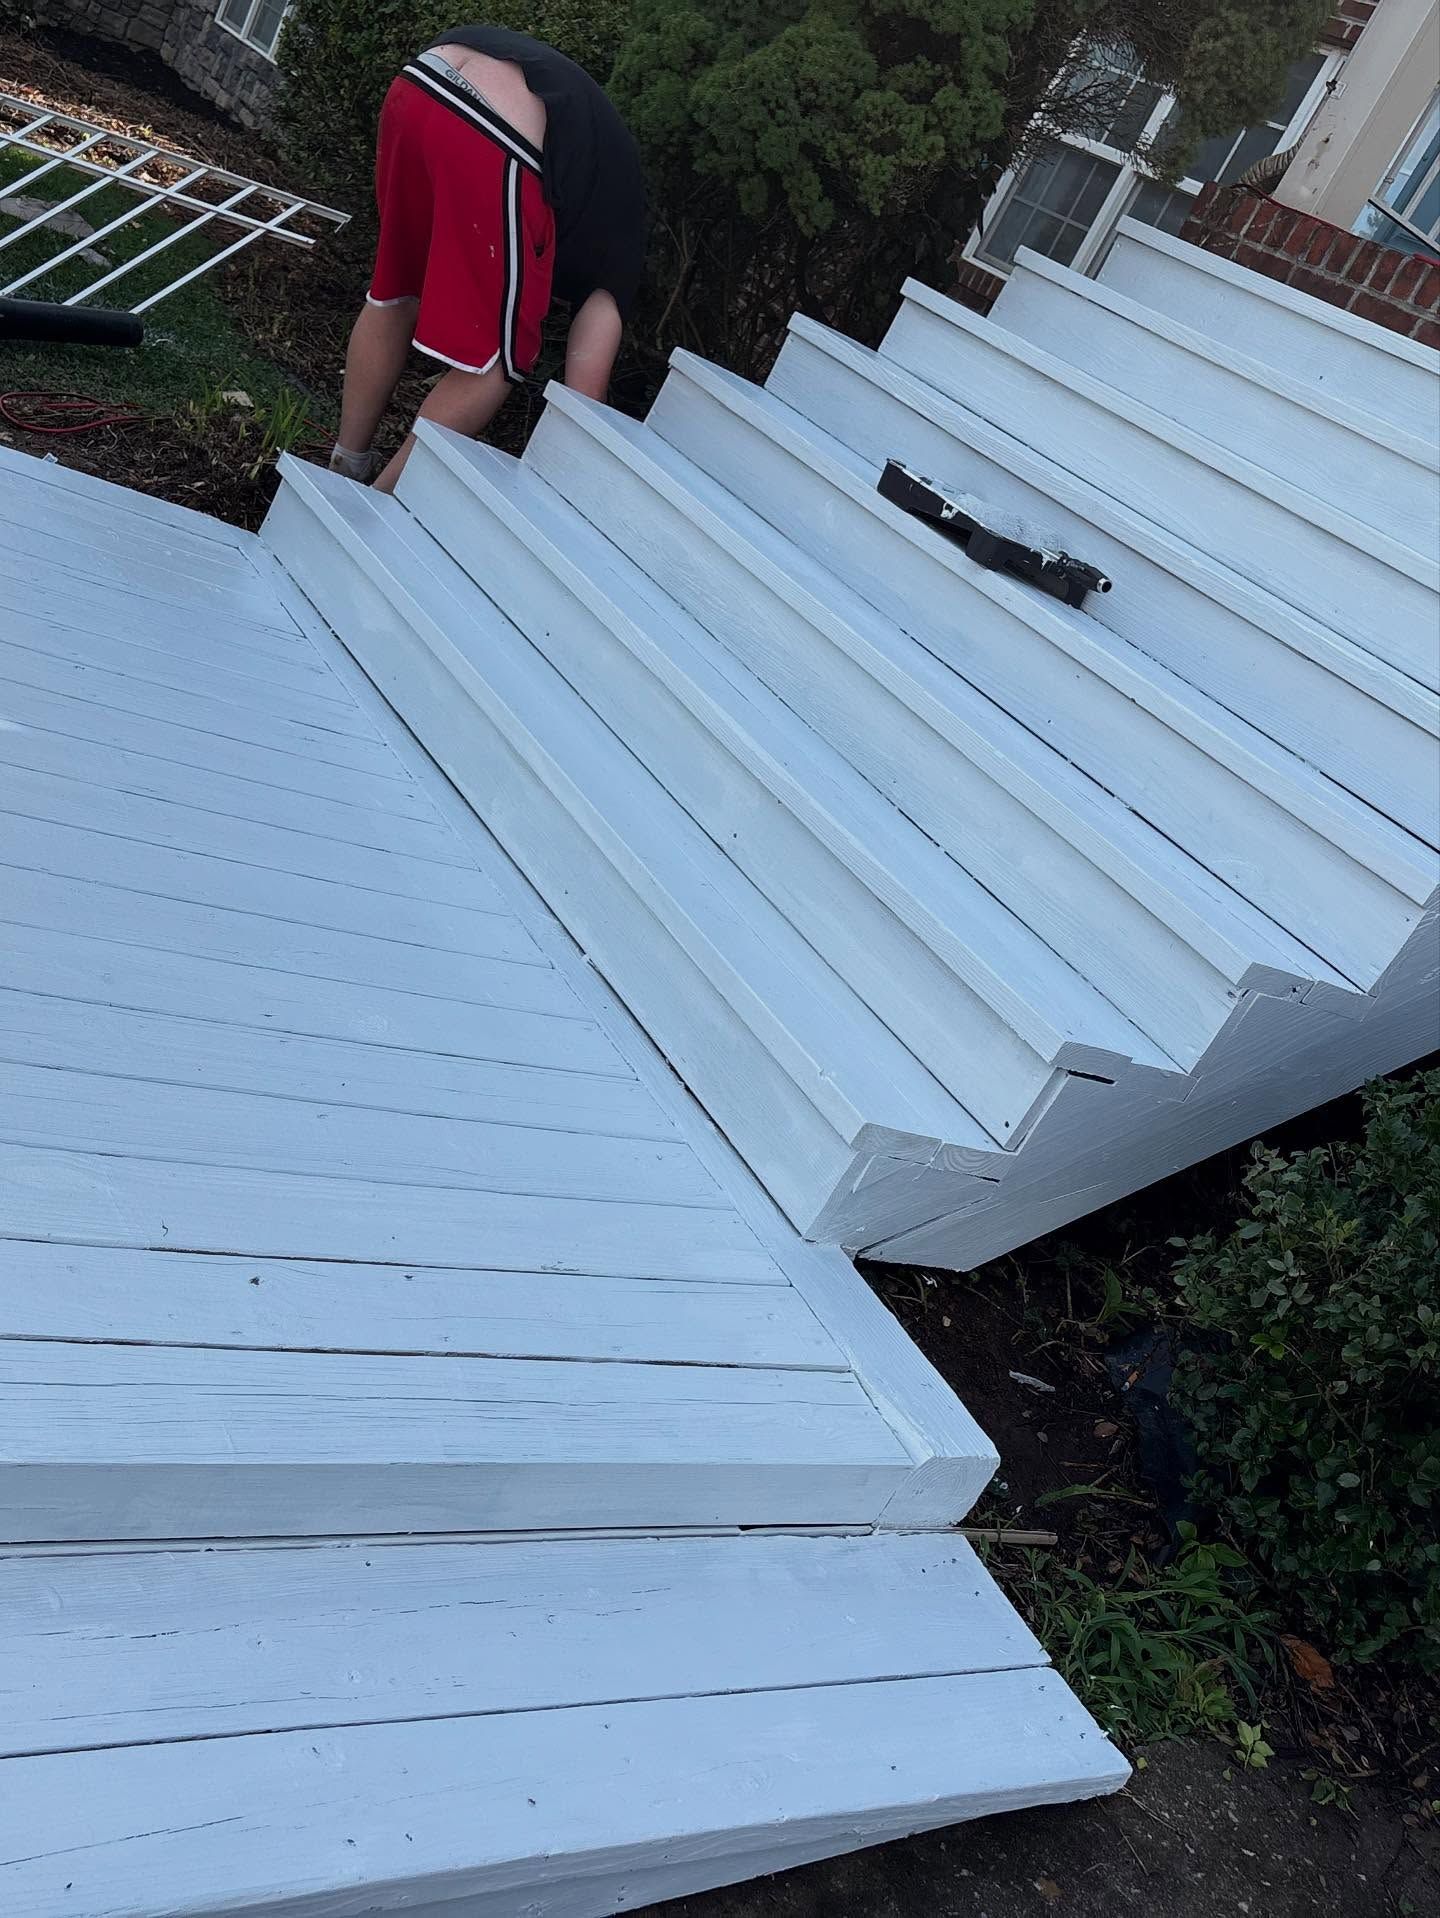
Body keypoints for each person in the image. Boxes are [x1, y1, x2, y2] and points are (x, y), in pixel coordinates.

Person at [328, 25, 646, 493]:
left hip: (422, 79)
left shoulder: (599, 190)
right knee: (499, 359)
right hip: (497, 126)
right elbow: (584, 397)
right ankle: (376, 506)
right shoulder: (620, 259)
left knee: (397, 291)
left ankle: (345, 466)